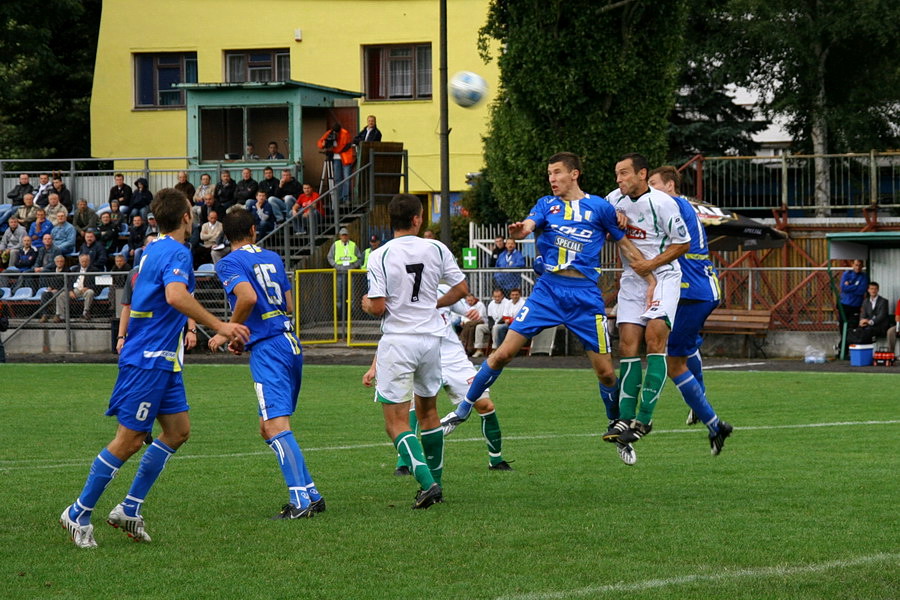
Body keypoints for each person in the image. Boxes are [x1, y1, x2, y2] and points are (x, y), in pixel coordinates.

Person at [59, 188, 249, 549]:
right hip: (147, 359)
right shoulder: (176, 251)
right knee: (128, 440)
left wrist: (210, 331)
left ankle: (129, 508)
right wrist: (222, 327)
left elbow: (167, 303)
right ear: (186, 218)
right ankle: (78, 511)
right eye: (191, 212)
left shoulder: (152, 250)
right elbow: (176, 296)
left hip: (163, 359)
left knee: (177, 431)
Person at [445, 152, 653, 466]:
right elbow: (529, 225)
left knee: (607, 373)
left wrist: (651, 278)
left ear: (575, 174)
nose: (552, 178)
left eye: (557, 172)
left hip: (585, 296)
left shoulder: (599, 207)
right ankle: (462, 410)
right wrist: (521, 231)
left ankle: (616, 425)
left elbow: (624, 243)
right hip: (548, 292)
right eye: (549, 174)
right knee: (502, 353)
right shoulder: (546, 205)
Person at [208, 210, 324, 519]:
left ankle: (300, 503)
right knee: (267, 427)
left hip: (270, 349)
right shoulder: (272, 257)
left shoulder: (229, 263)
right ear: (253, 230)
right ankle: (311, 492)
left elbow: (245, 298)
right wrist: (244, 336)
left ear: (226, 236)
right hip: (288, 343)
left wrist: (227, 331)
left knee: (275, 425)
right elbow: (287, 304)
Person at [362, 193, 468, 508]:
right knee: (429, 412)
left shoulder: (379, 255)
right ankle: (437, 482)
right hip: (432, 340)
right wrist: (431, 304)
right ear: (418, 219)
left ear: (389, 221)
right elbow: (461, 289)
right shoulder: (436, 248)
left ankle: (427, 482)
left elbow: (379, 306)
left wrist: (367, 304)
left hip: (399, 341)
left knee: (396, 421)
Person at [365, 282, 512, 474]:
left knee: (485, 405)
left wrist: (471, 313)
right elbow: (390, 335)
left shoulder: (444, 291)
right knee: (413, 407)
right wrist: (374, 367)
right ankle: (404, 464)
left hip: (454, 359)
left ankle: (496, 460)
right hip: (421, 356)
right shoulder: (399, 294)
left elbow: (468, 310)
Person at [601, 153, 691, 448]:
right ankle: (624, 419)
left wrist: (650, 266)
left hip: (663, 277)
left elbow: (683, 243)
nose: (619, 180)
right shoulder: (613, 199)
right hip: (632, 280)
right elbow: (597, 225)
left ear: (642, 174)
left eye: (624, 173)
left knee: (654, 340)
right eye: (617, 174)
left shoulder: (664, 204)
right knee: (627, 343)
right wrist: (612, 219)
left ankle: (644, 419)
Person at [648, 166, 732, 454]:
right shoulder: (678, 205)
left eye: (653, 183)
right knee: (680, 350)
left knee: (674, 362)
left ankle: (712, 420)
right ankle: (706, 413)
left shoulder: (671, 204)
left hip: (693, 291)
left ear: (670, 185)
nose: (649, 189)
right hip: (693, 290)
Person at [327, 227, 361, 320]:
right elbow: (330, 257)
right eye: (343, 235)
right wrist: (336, 266)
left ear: (348, 236)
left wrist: (353, 266)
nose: (344, 237)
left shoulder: (353, 245)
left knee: (352, 295)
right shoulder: (335, 245)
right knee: (339, 295)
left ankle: (353, 316)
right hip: (340, 273)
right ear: (340, 236)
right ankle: (341, 316)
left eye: (346, 235)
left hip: (351, 273)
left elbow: (359, 258)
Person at [317, 122, 354, 205]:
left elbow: (343, 147)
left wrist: (332, 150)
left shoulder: (345, 133)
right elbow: (320, 142)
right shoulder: (329, 133)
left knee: (346, 178)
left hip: (345, 158)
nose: (335, 134)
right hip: (336, 158)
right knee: (337, 179)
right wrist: (323, 144)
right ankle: (339, 198)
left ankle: (346, 198)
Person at [838, 259, 868, 355]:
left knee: (852, 328)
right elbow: (843, 287)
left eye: (860, 265)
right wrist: (855, 286)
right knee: (842, 328)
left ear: (862, 266)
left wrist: (850, 286)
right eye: (856, 265)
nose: (858, 267)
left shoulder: (864, 276)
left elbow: (862, 290)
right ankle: (843, 349)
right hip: (844, 304)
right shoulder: (847, 274)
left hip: (855, 306)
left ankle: (848, 349)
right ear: (852, 265)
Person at [473, 289, 509, 358]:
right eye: (495, 297)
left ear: (502, 296)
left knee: (495, 328)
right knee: (479, 327)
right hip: (493, 324)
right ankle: (479, 349)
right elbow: (490, 318)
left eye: (499, 296)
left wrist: (494, 326)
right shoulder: (491, 304)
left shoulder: (507, 303)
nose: (497, 298)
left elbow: (505, 317)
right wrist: (491, 326)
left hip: (503, 324)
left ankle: (495, 349)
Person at [67, 253, 99, 320]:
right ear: (79, 261)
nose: (84, 263)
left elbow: (97, 283)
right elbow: (69, 282)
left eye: (86, 261)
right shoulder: (74, 270)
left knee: (90, 292)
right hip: (76, 290)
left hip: (87, 290)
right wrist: (70, 291)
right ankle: (61, 315)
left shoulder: (94, 270)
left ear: (89, 261)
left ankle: (85, 312)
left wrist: (88, 287)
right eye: (82, 261)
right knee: (62, 294)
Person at [39, 254, 68, 323]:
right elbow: (50, 281)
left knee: (58, 294)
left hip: (62, 290)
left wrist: (57, 289)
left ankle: (57, 315)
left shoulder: (67, 270)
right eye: (58, 261)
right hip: (52, 290)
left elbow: (67, 283)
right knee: (44, 294)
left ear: (64, 262)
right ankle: (45, 314)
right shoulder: (52, 271)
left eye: (61, 261)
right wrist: (50, 287)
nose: (59, 263)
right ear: (55, 262)